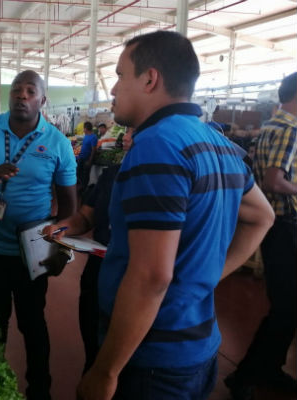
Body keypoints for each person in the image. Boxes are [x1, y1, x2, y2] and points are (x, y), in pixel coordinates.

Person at [74, 30, 274, 400]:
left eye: (120, 76)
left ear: (150, 79)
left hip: (152, 358)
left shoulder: (157, 146)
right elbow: (261, 216)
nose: (113, 91)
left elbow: (151, 277)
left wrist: (105, 371)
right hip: (198, 347)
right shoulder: (218, 143)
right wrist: (208, 274)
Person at [0, 69, 77, 400]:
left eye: (30, 90)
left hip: (32, 256)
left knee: (33, 324)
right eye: (16, 89)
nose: (21, 95)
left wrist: (61, 250)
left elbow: (69, 207)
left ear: (42, 99)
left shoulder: (57, 142)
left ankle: (41, 390)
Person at [224, 71, 297, 400]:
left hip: (275, 226)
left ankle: (269, 369)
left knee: (287, 305)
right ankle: (246, 376)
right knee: (287, 306)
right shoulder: (291, 130)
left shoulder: (270, 125)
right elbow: (274, 181)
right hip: (286, 225)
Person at [42, 126, 134, 375]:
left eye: (135, 132)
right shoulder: (111, 176)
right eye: (126, 132)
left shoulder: (167, 183)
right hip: (100, 270)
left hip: (134, 279)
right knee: (93, 340)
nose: (126, 138)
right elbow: (84, 218)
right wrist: (62, 228)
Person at [76, 121, 98, 193]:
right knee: (79, 173)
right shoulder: (86, 135)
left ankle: (84, 190)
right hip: (81, 157)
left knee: (85, 175)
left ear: (86, 128)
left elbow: (93, 150)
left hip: (86, 159)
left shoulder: (93, 137)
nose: (83, 130)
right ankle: (79, 187)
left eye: (84, 128)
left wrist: (90, 161)